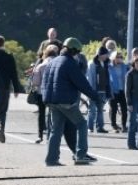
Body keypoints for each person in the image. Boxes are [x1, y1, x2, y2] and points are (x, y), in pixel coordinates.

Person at [41, 37, 100, 166]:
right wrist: (96, 97)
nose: (77, 54)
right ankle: (81, 155)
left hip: (51, 101)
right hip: (66, 102)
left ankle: (51, 159)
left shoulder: (53, 61)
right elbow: (82, 84)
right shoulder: (70, 63)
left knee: (56, 130)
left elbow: (44, 82)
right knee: (82, 124)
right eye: (77, 52)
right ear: (73, 50)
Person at [0, 35, 24, 143]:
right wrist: (16, 89)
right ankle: (1, 128)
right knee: (3, 110)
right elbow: (14, 73)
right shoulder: (9, 56)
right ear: (3, 44)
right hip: (5, 87)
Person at [31, 44, 58, 143]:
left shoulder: (41, 65)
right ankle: (50, 135)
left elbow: (35, 82)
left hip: (41, 92)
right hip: (54, 93)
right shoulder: (57, 65)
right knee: (52, 114)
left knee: (41, 114)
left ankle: (40, 135)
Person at [86, 46, 111, 133]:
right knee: (92, 110)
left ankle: (100, 127)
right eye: (105, 54)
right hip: (93, 90)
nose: (106, 56)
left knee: (100, 110)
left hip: (103, 90)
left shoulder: (106, 63)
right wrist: (90, 91)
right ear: (100, 54)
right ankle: (89, 127)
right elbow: (90, 78)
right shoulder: (91, 64)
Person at [108, 51, 129, 133]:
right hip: (113, 90)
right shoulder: (109, 67)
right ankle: (114, 125)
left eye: (121, 57)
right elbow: (108, 80)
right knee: (113, 109)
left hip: (123, 90)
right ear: (113, 58)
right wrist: (110, 91)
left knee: (124, 109)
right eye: (118, 57)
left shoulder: (125, 66)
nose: (120, 59)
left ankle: (124, 125)